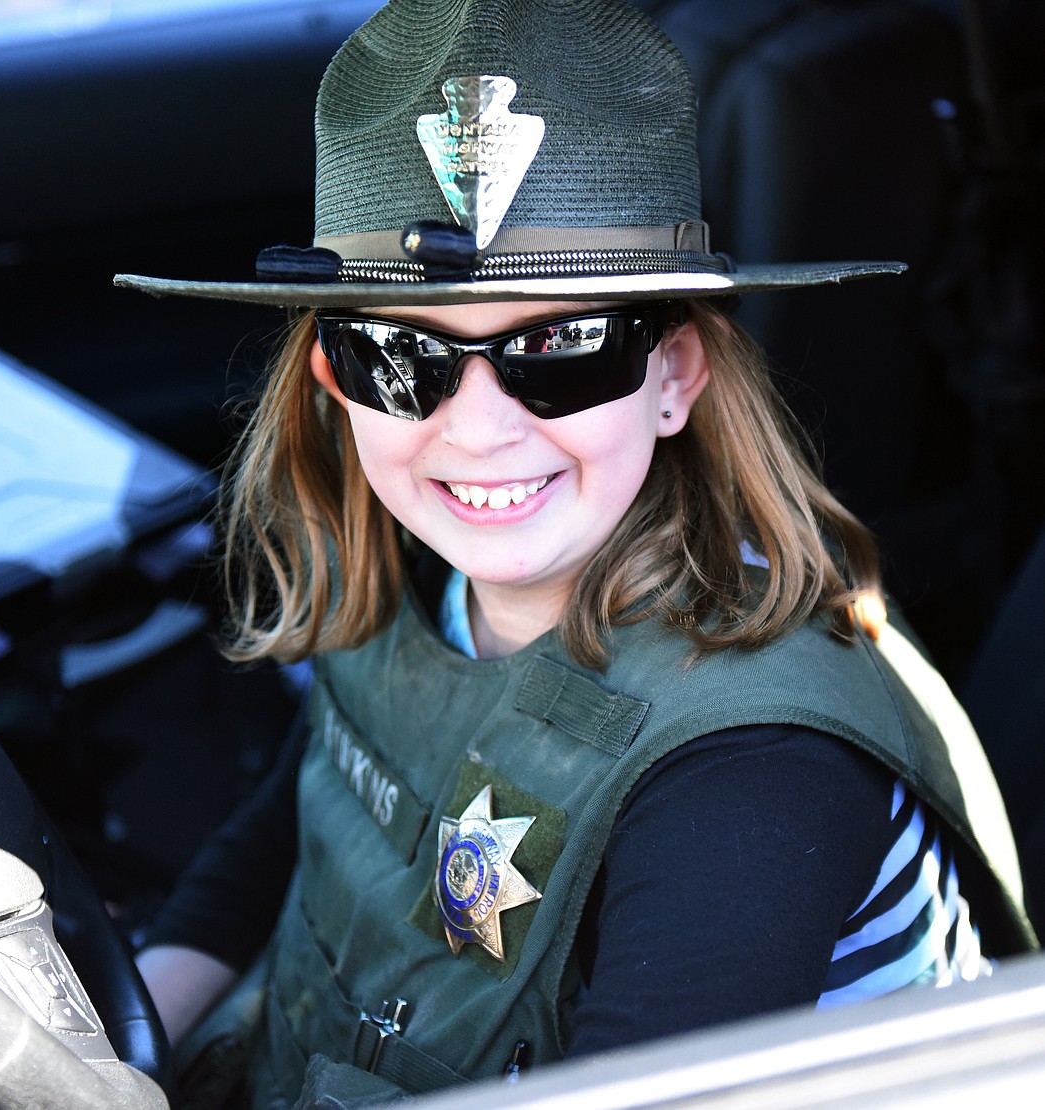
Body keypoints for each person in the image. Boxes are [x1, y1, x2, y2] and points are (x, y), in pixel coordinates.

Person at [115, 1, 1037, 1105]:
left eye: (561, 345)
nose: (478, 428)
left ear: (675, 377)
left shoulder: (749, 772)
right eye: (404, 358)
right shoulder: (420, 572)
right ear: (333, 382)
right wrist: (110, 1055)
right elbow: (291, 830)